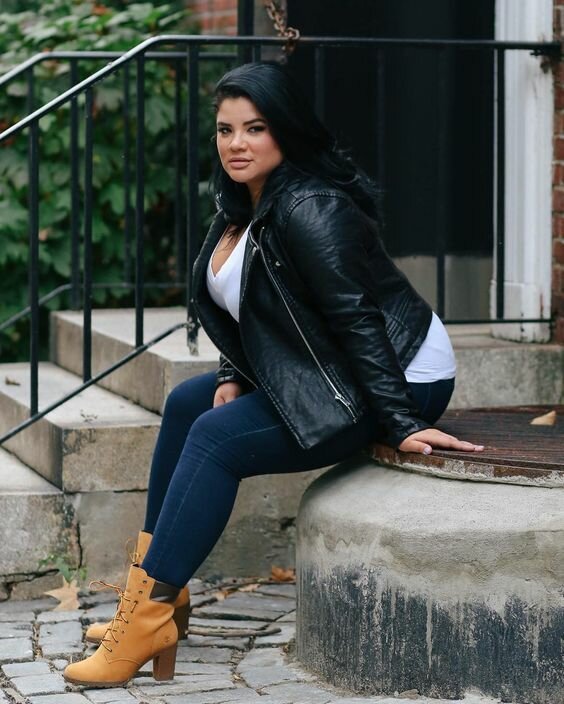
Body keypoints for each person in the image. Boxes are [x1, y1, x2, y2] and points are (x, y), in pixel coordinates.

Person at [63, 61, 483, 688]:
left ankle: (145, 621)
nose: (236, 144)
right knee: (188, 404)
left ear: (284, 130)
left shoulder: (310, 208)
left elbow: (357, 319)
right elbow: (250, 305)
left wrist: (400, 420)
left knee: (216, 439)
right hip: (327, 361)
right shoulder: (241, 201)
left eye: (254, 128)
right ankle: (162, 596)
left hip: (403, 370)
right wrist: (234, 371)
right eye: (225, 130)